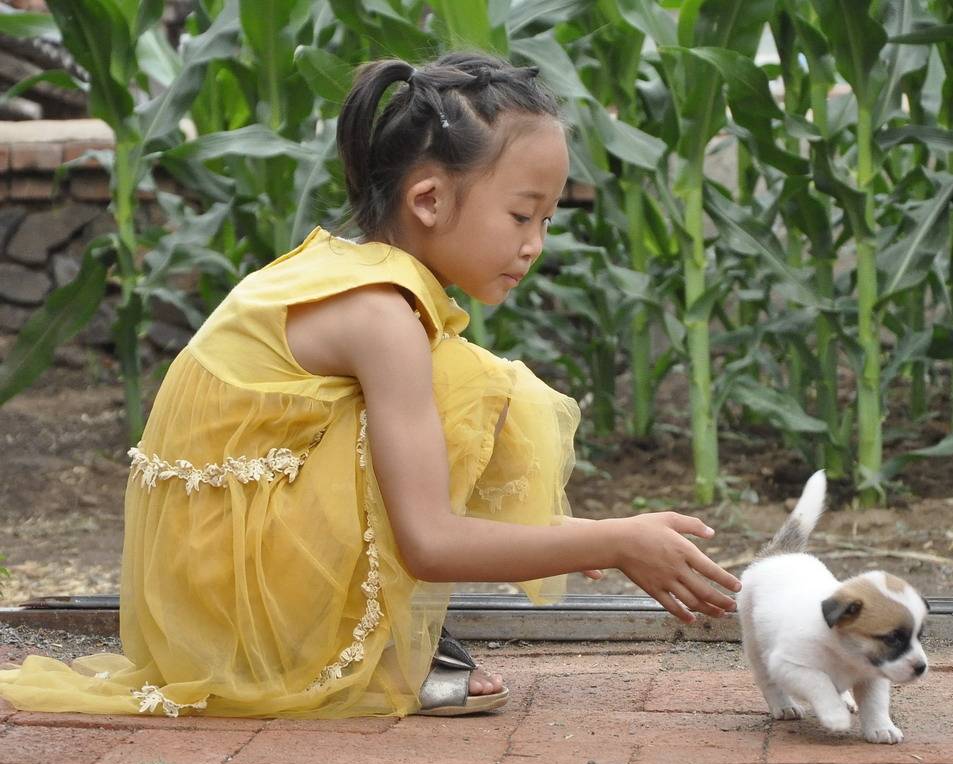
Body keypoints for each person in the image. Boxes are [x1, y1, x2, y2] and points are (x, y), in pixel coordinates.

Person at [0, 52, 740, 719]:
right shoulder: (382, 316)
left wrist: (589, 537)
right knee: (471, 386)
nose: (534, 246)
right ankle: (355, 651)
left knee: (459, 383)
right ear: (429, 201)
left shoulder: (351, 273)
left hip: (209, 592)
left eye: (546, 220)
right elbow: (429, 542)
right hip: (240, 612)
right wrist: (614, 541)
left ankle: (376, 636)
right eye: (521, 216)